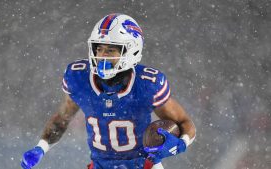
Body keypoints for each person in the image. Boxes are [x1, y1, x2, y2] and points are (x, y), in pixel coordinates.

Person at [21, 13, 196, 169]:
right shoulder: (79, 78)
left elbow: (184, 122)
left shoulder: (147, 84)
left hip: (144, 166)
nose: (102, 55)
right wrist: (41, 148)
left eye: (110, 49)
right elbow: (61, 121)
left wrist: (181, 143)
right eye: (99, 48)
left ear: (131, 50)